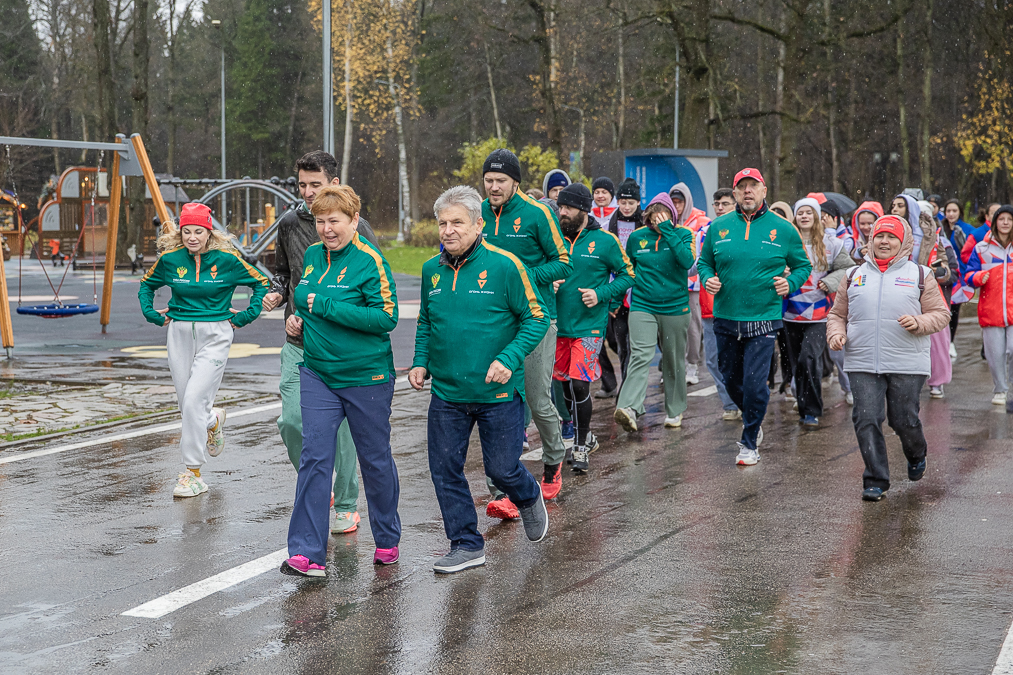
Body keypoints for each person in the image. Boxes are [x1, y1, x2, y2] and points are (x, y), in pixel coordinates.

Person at [411, 185, 550, 574]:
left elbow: (536, 317)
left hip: (498, 393)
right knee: (444, 468)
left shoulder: (506, 266)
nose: (448, 230)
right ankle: (466, 544)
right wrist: (421, 361)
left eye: (457, 222)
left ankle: (527, 495)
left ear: (478, 224)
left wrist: (509, 357)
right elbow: (426, 321)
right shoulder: (430, 270)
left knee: (502, 470)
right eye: (442, 222)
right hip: (448, 392)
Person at [281, 185, 402, 576]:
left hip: (366, 375)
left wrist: (328, 307)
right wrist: (298, 321)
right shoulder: (314, 256)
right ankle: (306, 551)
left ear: (354, 221)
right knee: (315, 457)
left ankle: (387, 538)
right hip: (318, 371)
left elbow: (386, 318)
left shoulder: (370, 261)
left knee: (375, 459)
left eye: (334, 221)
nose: (326, 229)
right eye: (320, 221)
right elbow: (306, 302)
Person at [262, 151, 380, 536]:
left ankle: (346, 503)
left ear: (334, 183)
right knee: (291, 420)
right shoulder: (291, 223)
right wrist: (279, 295)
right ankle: (321, 482)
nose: (308, 192)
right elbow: (283, 272)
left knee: (340, 432)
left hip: (341, 350)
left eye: (316, 184)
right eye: (302, 185)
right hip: (297, 342)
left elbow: (376, 298)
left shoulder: (361, 232)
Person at [138, 203, 269, 497]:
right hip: (179, 333)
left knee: (195, 399)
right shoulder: (170, 260)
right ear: (180, 232)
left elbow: (261, 283)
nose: (192, 237)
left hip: (216, 334)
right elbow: (146, 286)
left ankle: (192, 473)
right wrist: (152, 314)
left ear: (209, 232)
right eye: (187, 231)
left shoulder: (227, 261)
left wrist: (246, 315)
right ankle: (212, 421)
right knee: (188, 404)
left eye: (199, 231)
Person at [827, 215, 950, 501]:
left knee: (903, 419)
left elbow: (941, 314)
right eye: (880, 236)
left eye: (891, 237)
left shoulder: (920, 274)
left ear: (903, 242)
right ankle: (876, 480)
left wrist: (919, 322)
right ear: (871, 240)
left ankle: (916, 452)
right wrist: (836, 334)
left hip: (907, 359)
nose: (884, 241)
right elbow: (837, 315)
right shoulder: (853, 275)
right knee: (866, 417)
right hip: (861, 359)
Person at [696, 168, 812, 466]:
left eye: (753, 186)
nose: (748, 191)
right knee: (730, 377)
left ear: (763, 191)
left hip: (763, 315)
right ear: (734, 193)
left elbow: (802, 266)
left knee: (755, 382)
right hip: (725, 315)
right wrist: (708, 278)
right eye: (742, 186)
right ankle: (753, 416)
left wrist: (791, 283)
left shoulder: (783, 228)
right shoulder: (718, 227)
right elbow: (705, 263)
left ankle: (749, 442)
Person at [480, 149, 571, 518]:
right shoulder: (477, 213)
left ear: (515, 182)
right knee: (498, 403)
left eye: (501, 180)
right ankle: (501, 491)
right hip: (493, 321)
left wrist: (523, 279)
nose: (494, 187)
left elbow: (563, 261)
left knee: (535, 398)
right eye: (488, 180)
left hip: (536, 318)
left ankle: (553, 460)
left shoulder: (537, 214)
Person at [551, 183, 634, 475]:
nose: (562, 213)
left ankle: (581, 446)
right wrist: (548, 282)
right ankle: (584, 434)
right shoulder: (553, 238)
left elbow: (628, 275)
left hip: (590, 326)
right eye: (560, 207)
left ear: (584, 209)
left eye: (568, 208)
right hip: (556, 324)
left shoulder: (606, 241)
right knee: (564, 385)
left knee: (579, 384)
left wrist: (601, 294)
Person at [614, 192, 695, 432]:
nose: (658, 222)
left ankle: (675, 409)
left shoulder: (684, 234)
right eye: (655, 217)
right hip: (642, 305)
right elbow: (626, 270)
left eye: (665, 216)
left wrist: (669, 231)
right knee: (640, 355)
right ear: (648, 217)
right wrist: (617, 300)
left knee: (673, 360)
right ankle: (629, 407)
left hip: (675, 307)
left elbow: (687, 261)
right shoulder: (638, 237)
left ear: (673, 215)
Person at [782, 198, 852, 426]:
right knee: (797, 364)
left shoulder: (831, 243)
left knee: (809, 357)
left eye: (808, 212)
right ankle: (804, 409)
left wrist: (831, 281)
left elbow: (848, 268)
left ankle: (812, 410)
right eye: (799, 212)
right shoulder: (786, 241)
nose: (804, 216)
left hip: (819, 314)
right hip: (789, 313)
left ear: (816, 217)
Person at [964, 205, 1013, 409]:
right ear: (994, 222)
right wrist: (976, 277)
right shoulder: (981, 248)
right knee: (995, 354)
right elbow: (968, 275)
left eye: (1009, 219)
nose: (1005, 223)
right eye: (1001, 219)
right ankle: (1000, 389)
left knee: (1012, 350)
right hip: (991, 311)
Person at [701, 187, 740, 419]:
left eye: (725, 203)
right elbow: (697, 265)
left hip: (738, 307)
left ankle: (743, 399)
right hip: (710, 307)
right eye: (717, 204)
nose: (720, 208)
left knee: (739, 358)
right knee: (714, 359)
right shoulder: (706, 232)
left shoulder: (745, 230)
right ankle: (730, 404)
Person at [669, 182, 710, 387]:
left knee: (693, 325)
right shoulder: (665, 220)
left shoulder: (703, 221)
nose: (676, 206)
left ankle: (692, 364)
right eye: (673, 201)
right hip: (669, 282)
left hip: (692, 283)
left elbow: (705, 253)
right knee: (670, 326)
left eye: (680, 201)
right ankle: (673, 366)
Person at [603, 177, 643, 385]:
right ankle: (625, 387)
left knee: (636, 345)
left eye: (631, 203)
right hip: (616, 290)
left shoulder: (645, 223)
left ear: (638, 203)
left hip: (639, 294)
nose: (626, 207)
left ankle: (631, 389)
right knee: (621, 345)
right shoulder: (608, 224)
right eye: (623, 202)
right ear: (617, 202)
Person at [916, 200, 957, 399]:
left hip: (936, 299)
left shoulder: (942, 242)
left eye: (925, 218)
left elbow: (953, 272)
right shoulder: (902, 240)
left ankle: (938, 381)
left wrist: (939, 272)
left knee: (938, 343)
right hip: (910, 298)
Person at [940, 199, 974, 344]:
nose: (951, 214)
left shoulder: (967, 229)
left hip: (960, 274)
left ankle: (951, 341)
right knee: (943, 307)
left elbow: (972, 252)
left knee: (954, 308)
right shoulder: (941, 228)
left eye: (954, 211)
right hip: (945, 272)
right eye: (948, 211)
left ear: (960, 212)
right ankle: (943, 340)